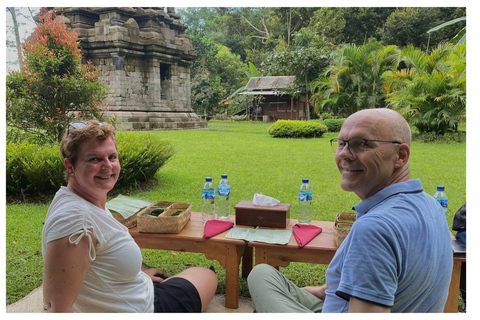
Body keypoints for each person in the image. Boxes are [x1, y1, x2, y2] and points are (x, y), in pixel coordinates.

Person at [247, 108, 453, 313]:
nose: (344, 153)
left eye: (362, 144)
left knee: (260, 288)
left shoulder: (375, 228)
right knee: (262, 273)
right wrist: (323, 291)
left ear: (400, 155)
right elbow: (391, 276)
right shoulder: (431, 205)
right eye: (341, 143)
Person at [42, 120, 217, 312]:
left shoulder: (75, 199)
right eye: (94, 159)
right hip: (145, 308)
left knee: (196, 275)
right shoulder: (77, 221)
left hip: (137, 293)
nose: (107, 166)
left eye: (112, 157)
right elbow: (56, 308)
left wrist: (139, 274)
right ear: (70, 166)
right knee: (207, 276)